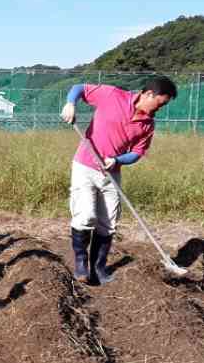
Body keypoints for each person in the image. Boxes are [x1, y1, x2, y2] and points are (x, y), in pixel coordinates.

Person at [61, 76, 177, 285]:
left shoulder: (148, 125)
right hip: (85, 166)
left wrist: (116, 160)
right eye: (160, 103)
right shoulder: (112, 95)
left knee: (109, 223)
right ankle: (80, 262)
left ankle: (98, 268)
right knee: (85, 216)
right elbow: (79, 88)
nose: (160, 108)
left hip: (111, 172)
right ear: (148, 94)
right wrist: (71, 103)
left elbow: (137, 153)